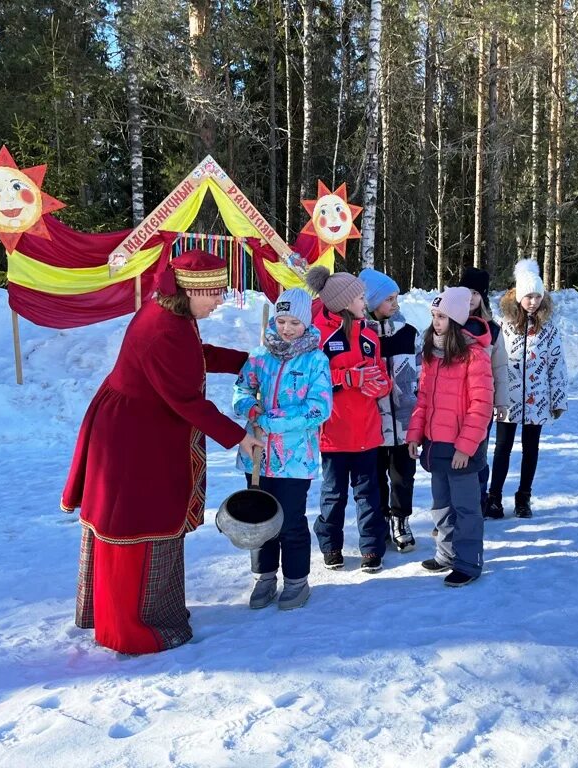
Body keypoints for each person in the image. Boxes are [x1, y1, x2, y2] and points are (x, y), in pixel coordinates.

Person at [61, 251, 262, 655]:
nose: (219, 301)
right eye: (214, 293)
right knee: (136, 518)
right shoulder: (165, 329)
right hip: (132, 439)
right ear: (190, 290)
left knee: (146, 513)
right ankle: (133, 625)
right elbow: (188, 400)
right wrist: (239, 436)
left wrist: (245, 361)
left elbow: (195, 357)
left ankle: (147, 610)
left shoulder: (174, 317)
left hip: (139, 427)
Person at [232, 288, 332, 610]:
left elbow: (319, 408)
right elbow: (241, 389)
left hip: (294, 460)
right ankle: (264, 577)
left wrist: (271, 419)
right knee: (260, 521)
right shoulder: (259, 356)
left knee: (289, 521)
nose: (286, 328)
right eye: (281, 320)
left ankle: (296, 580)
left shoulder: (316, 360)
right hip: (257, 456)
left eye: (294, 322)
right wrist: (249, 409)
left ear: (306, 323)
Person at [306, 266, 391, 572]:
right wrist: (348, 378)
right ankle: (331, 545)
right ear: (343, 302)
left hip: (367, 431)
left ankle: (371, 547)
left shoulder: (369, 333)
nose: (364, 300)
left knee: (369, 494)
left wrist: (381, 384)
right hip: (334, 432)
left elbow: (380, 371)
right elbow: (311, 379)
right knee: (334, 494)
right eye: (359, 296)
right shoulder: (319, 334)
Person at [407, 287, 493, 586]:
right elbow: (423, 400)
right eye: (433, 316)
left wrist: (466, 447)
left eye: (442, 317)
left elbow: (481, 407)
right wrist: (415, 435)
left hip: (462, 449)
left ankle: (468, 562)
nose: (436, 322)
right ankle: (446, 554)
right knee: (441, 505)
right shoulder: (432, 354)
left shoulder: (475, 357)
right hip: (436, 445)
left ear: (456, 319)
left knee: (466, 508)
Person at [487, 258, 568, 519]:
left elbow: (557, 364)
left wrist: (558, 399)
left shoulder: (549, 329)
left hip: (537, 398)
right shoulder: (503, 326)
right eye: (528, 296)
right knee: (502, 447)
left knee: (530, 449)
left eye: (537, 296)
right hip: (507, 399)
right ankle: (494, 498)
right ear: (518, 297)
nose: (533, 301)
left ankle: (523, 497)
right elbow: (493, 362)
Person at [360, 267, 421, 552]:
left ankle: (401, 520)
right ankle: (382, 519)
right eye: (389, 299)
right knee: (375, 475)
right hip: (372, 423)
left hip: (405, 423)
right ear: (371, 303)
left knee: (403, 475)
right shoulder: (360, 337)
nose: (395, 303)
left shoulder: (410, 334)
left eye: (396, 297)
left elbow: (423, 376)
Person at [458, 266, 510, 518]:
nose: (470, 298)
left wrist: (501, 402)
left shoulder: (493, 330)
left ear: (483, 296)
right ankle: (451, 510)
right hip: (452, 405)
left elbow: (499, 367)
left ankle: (478, 504)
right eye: (466, 291)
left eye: (475, 293)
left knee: (477, 455)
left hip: (481, 405)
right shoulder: (448, 323)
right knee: (452, 456)